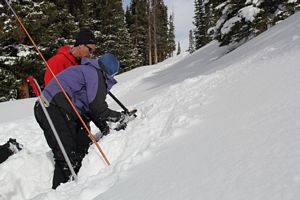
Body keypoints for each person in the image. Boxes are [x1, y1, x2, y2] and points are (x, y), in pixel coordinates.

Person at [34, 54, 130, 189]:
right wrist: (119, 117)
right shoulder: (94, 74)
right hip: (52, 108)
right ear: (109, 74)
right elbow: (98, 108)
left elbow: (91, 108)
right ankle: (60, 193)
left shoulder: (88, 71)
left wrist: (106, 126)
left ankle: (76, 186)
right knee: (67, 154)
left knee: (82, 144)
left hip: (57, 109)